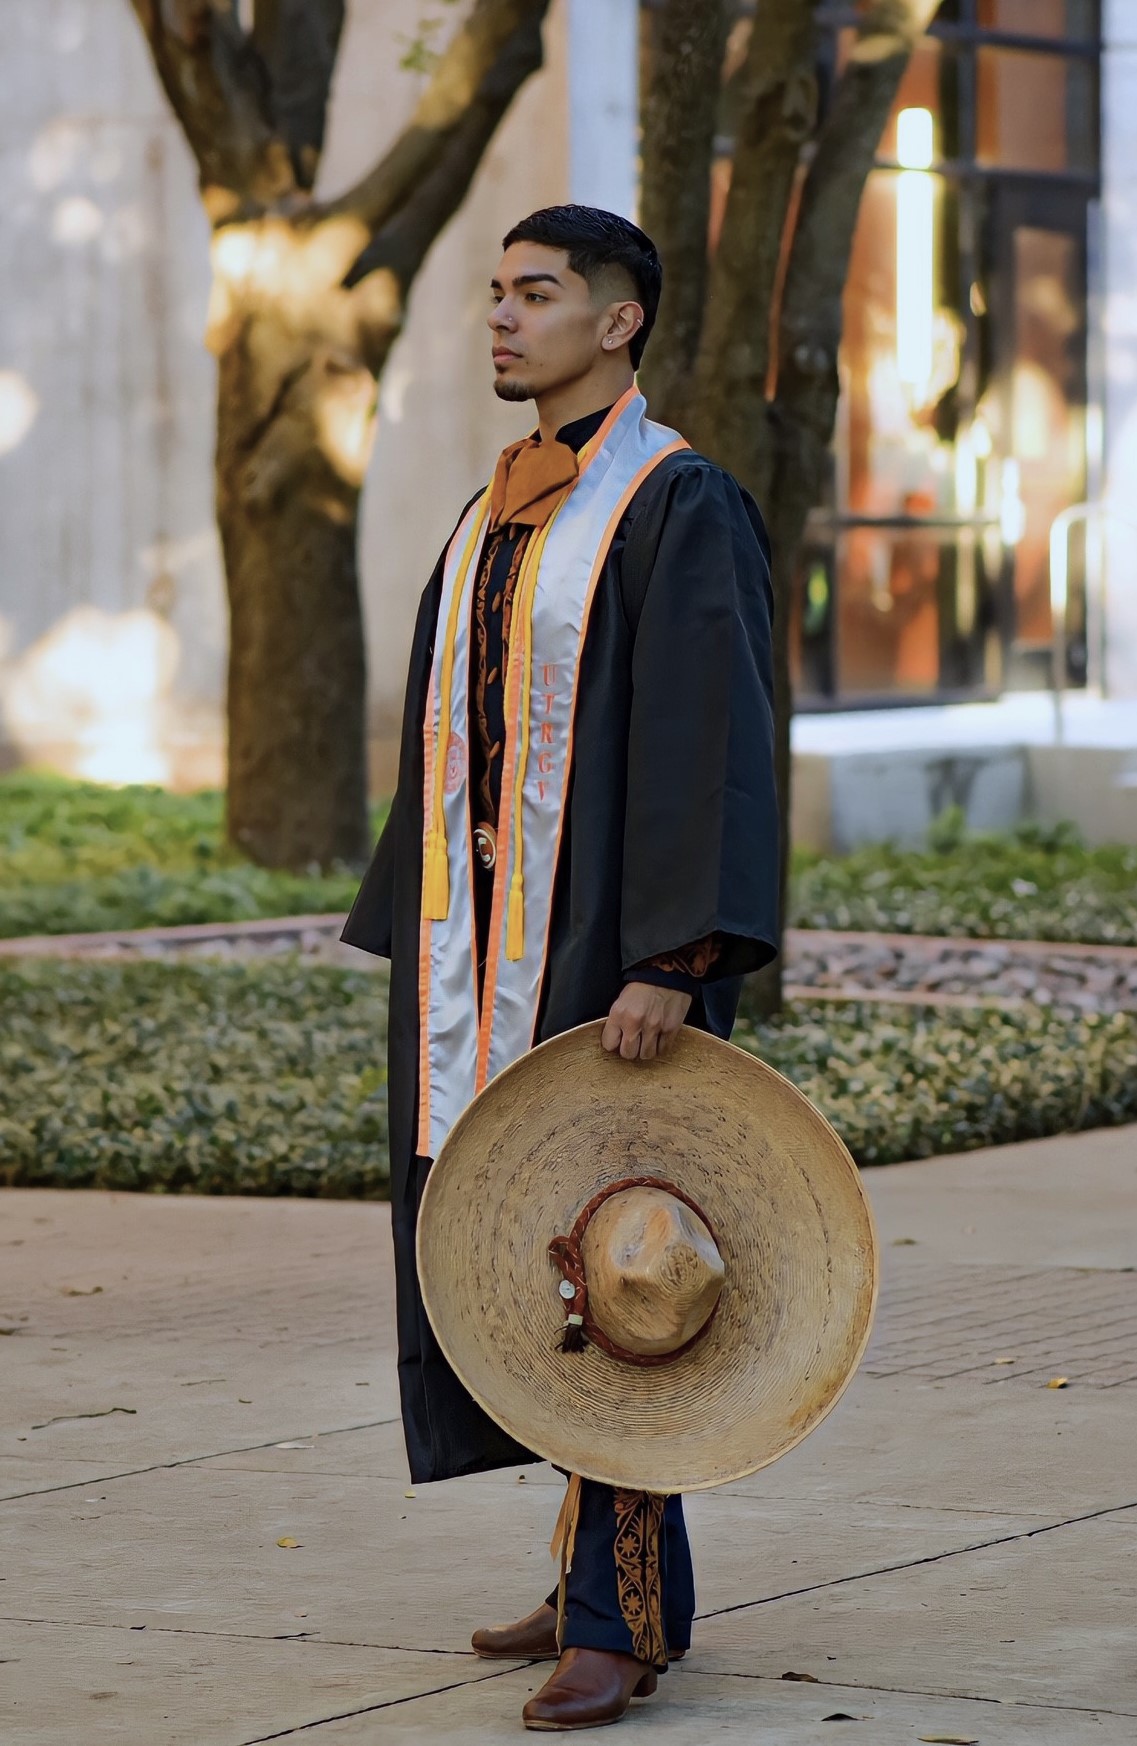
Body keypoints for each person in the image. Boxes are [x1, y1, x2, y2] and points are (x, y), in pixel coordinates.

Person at [343, 203, 779, 1731]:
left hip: (611, 962)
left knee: (629, 1263)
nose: (501, 317)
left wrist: (671, 955)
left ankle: (624, 1617)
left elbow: (702, 743)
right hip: (485, 966)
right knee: (528, 1260)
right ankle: (581, 1556)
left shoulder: (674, 502)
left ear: (620, 323)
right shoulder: (502, 508)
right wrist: (420, 929)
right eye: (496, 291)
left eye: (538, 294)